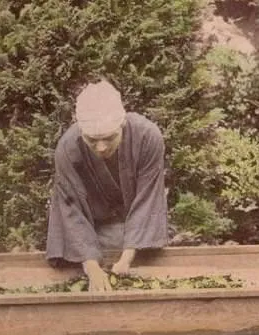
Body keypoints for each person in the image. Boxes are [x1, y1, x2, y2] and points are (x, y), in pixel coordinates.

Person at [46, 80, 169, 292]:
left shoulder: (148, 137)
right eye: (92, 140)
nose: (101, 147)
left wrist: (125, 260)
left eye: (109, 138)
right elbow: (70, 209)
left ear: (122, 125)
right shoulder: (66, 148)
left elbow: (148, 199)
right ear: (80, 131)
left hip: (138, 233)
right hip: (93, 232)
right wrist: (92, 268)